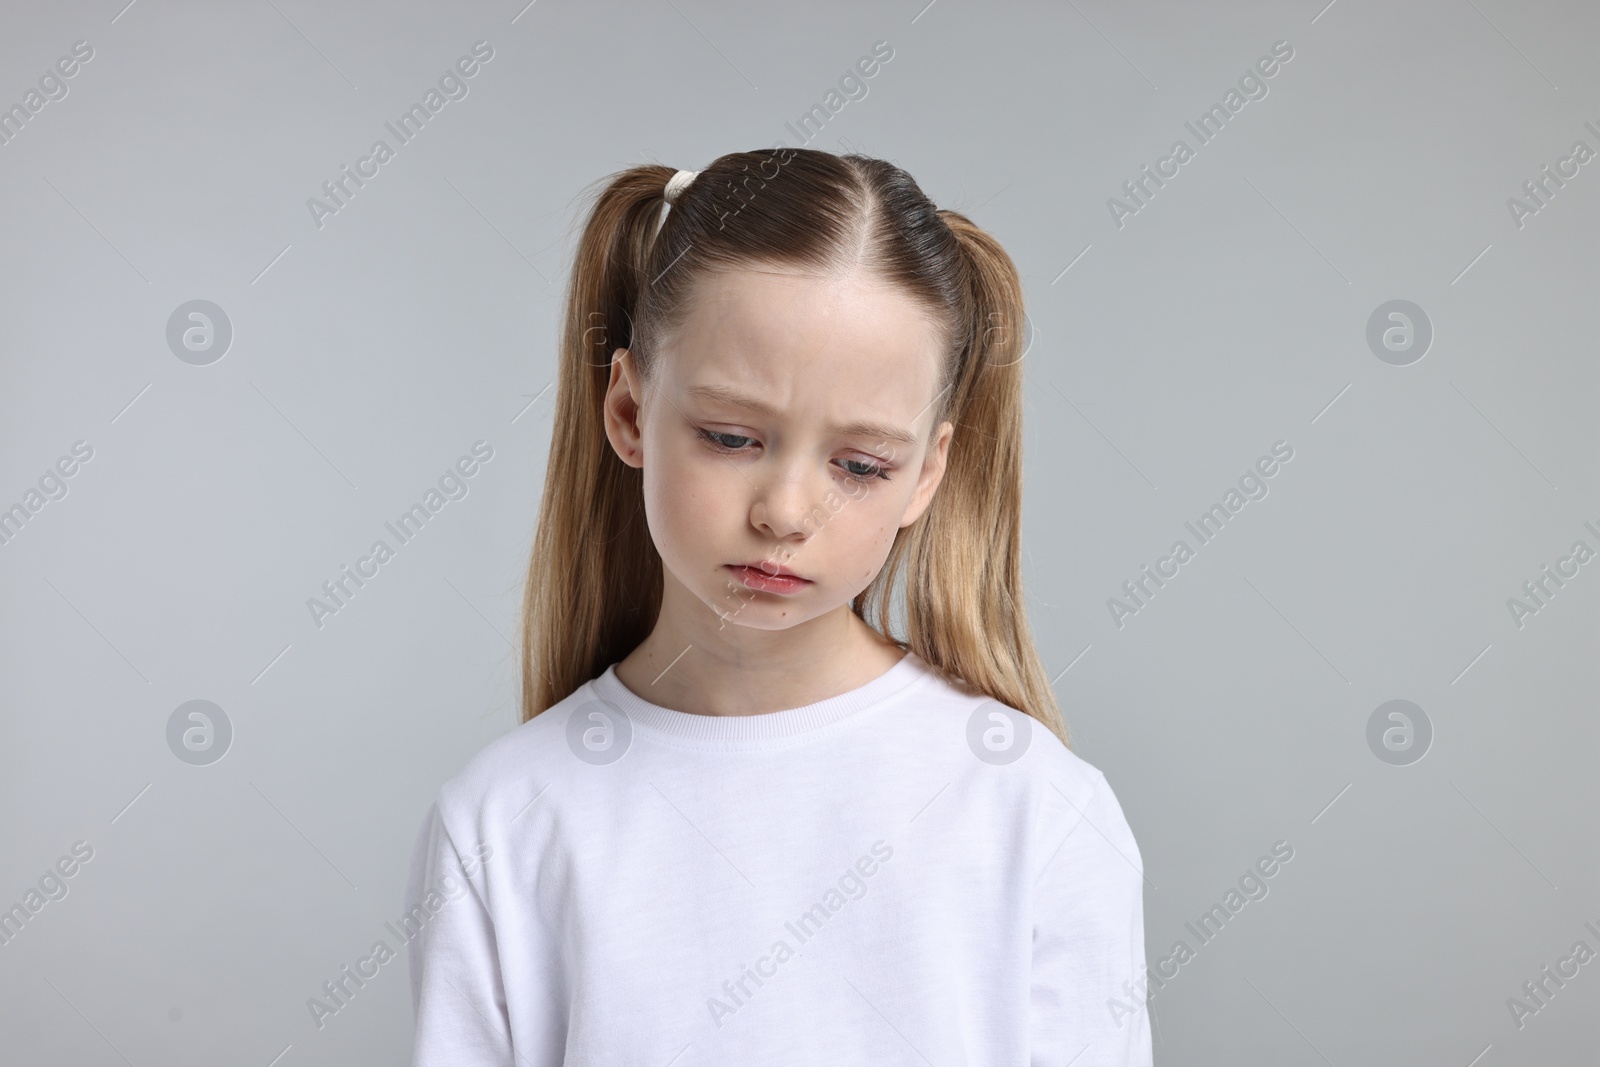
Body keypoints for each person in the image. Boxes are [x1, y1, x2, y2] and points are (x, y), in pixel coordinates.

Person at [404, 147, 1152, 1066]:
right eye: (730, 436)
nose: (787, 511)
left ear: (926, 474)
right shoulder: (503, 822)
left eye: (860, 465)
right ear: (631, 412)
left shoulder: (1034, 808)